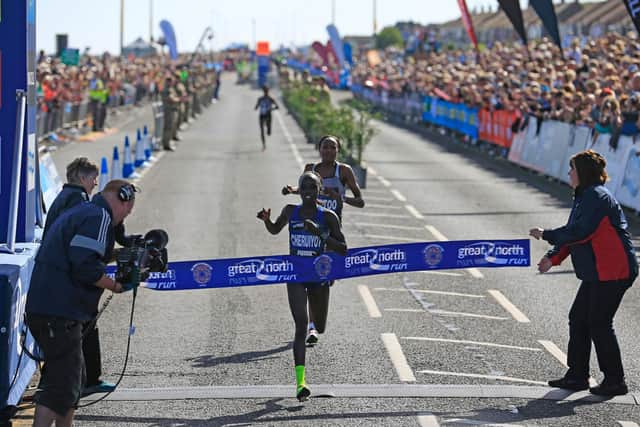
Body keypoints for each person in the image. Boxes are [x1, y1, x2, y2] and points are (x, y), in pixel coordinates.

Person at [25, 180, 138, 427]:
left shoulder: (85, 211)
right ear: (122, 199)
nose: (124, 219)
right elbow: (85, 266)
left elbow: (83, 254)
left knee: (71, 381)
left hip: (52, 309)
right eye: (127, 211)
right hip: (58, 311)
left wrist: (122, 256)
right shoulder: (99, 217)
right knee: (60, 384)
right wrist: (117, 286)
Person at [529, 150, 638, 396]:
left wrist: (546, 234)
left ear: (583, 173)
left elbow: (580, 232)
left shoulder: (596, 197)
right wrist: (553, 257)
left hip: (614, 269)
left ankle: (615, 380)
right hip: (598, 271)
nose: (569, 173)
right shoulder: (585, 195)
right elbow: (574, 233)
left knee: (599, 322)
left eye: (572, 169)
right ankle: (578, 375)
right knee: (579, 318)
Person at [257, 172, 347, 401]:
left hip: (319, 277)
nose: (308, 191)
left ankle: (314, 327)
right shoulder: (290, 211)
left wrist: (321, 235)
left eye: (312, 187)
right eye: (304, 187)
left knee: (320, 325)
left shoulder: (328, 216)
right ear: (299, 189)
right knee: (300, 324)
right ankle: (301, 384)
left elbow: (343, 248)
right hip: (295, 274)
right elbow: (276, 229)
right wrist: (267, 220)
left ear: (319, 191)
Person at [282, 135, 364, 344]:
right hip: (308, 231)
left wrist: (340, 198)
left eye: (332, 147)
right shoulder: (311, 167)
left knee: (325, 280)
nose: (328, 151)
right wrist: (291, 190)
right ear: (319, 149)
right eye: (325, 147)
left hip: (330, 231)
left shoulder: (344, 171)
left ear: (338, 150)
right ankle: (310, 327)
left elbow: (360, 201)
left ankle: (315, 322)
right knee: (312, 275)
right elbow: (304, 188)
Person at [254, 86, 279, 150]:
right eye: (265, 91)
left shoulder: (271, 99)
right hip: (262, 115)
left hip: (268, 115)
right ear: (263, 91)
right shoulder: (260, 99)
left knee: (268, 132)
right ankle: (264, 144)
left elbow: (277, 106)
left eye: (266, 91)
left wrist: (271, 109)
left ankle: (268, 129)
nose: (266, 92)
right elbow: (256, 107)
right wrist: (258, 106)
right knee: (262, 131)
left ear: (268, 91)